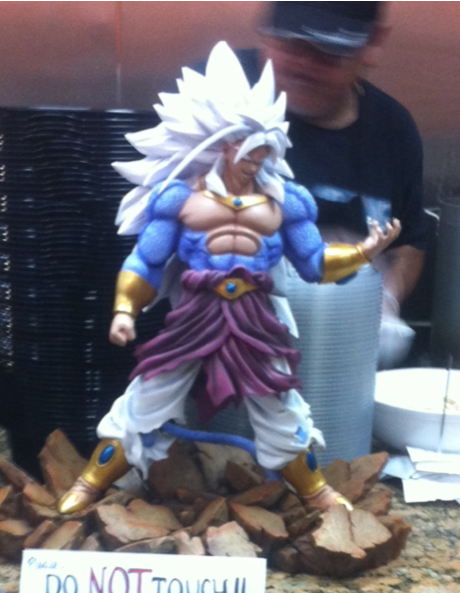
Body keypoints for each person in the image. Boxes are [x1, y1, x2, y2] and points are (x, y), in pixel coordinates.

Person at [58, 42, 400, 515]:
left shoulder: (286, 203)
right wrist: (124, 309)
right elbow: (146, 260)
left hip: (255, 319)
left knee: (281, 409)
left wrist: (362, 252)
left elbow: (314, 263)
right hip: (195, 315)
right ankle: (91, 482)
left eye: (264, 152)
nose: (256, 162)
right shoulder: (180, 199)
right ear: (225, 144)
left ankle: (316, 493)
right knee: (146, 399)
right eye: (250, 151)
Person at [214, 0, 428, 367]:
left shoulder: (393, 130)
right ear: (266, 32)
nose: (302, 64)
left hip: (342, 358)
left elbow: (409, 242)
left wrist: (386, 299)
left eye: (328, 51)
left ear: (371, 43)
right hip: (231, 356)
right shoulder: (219, 95)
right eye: (289, 42)